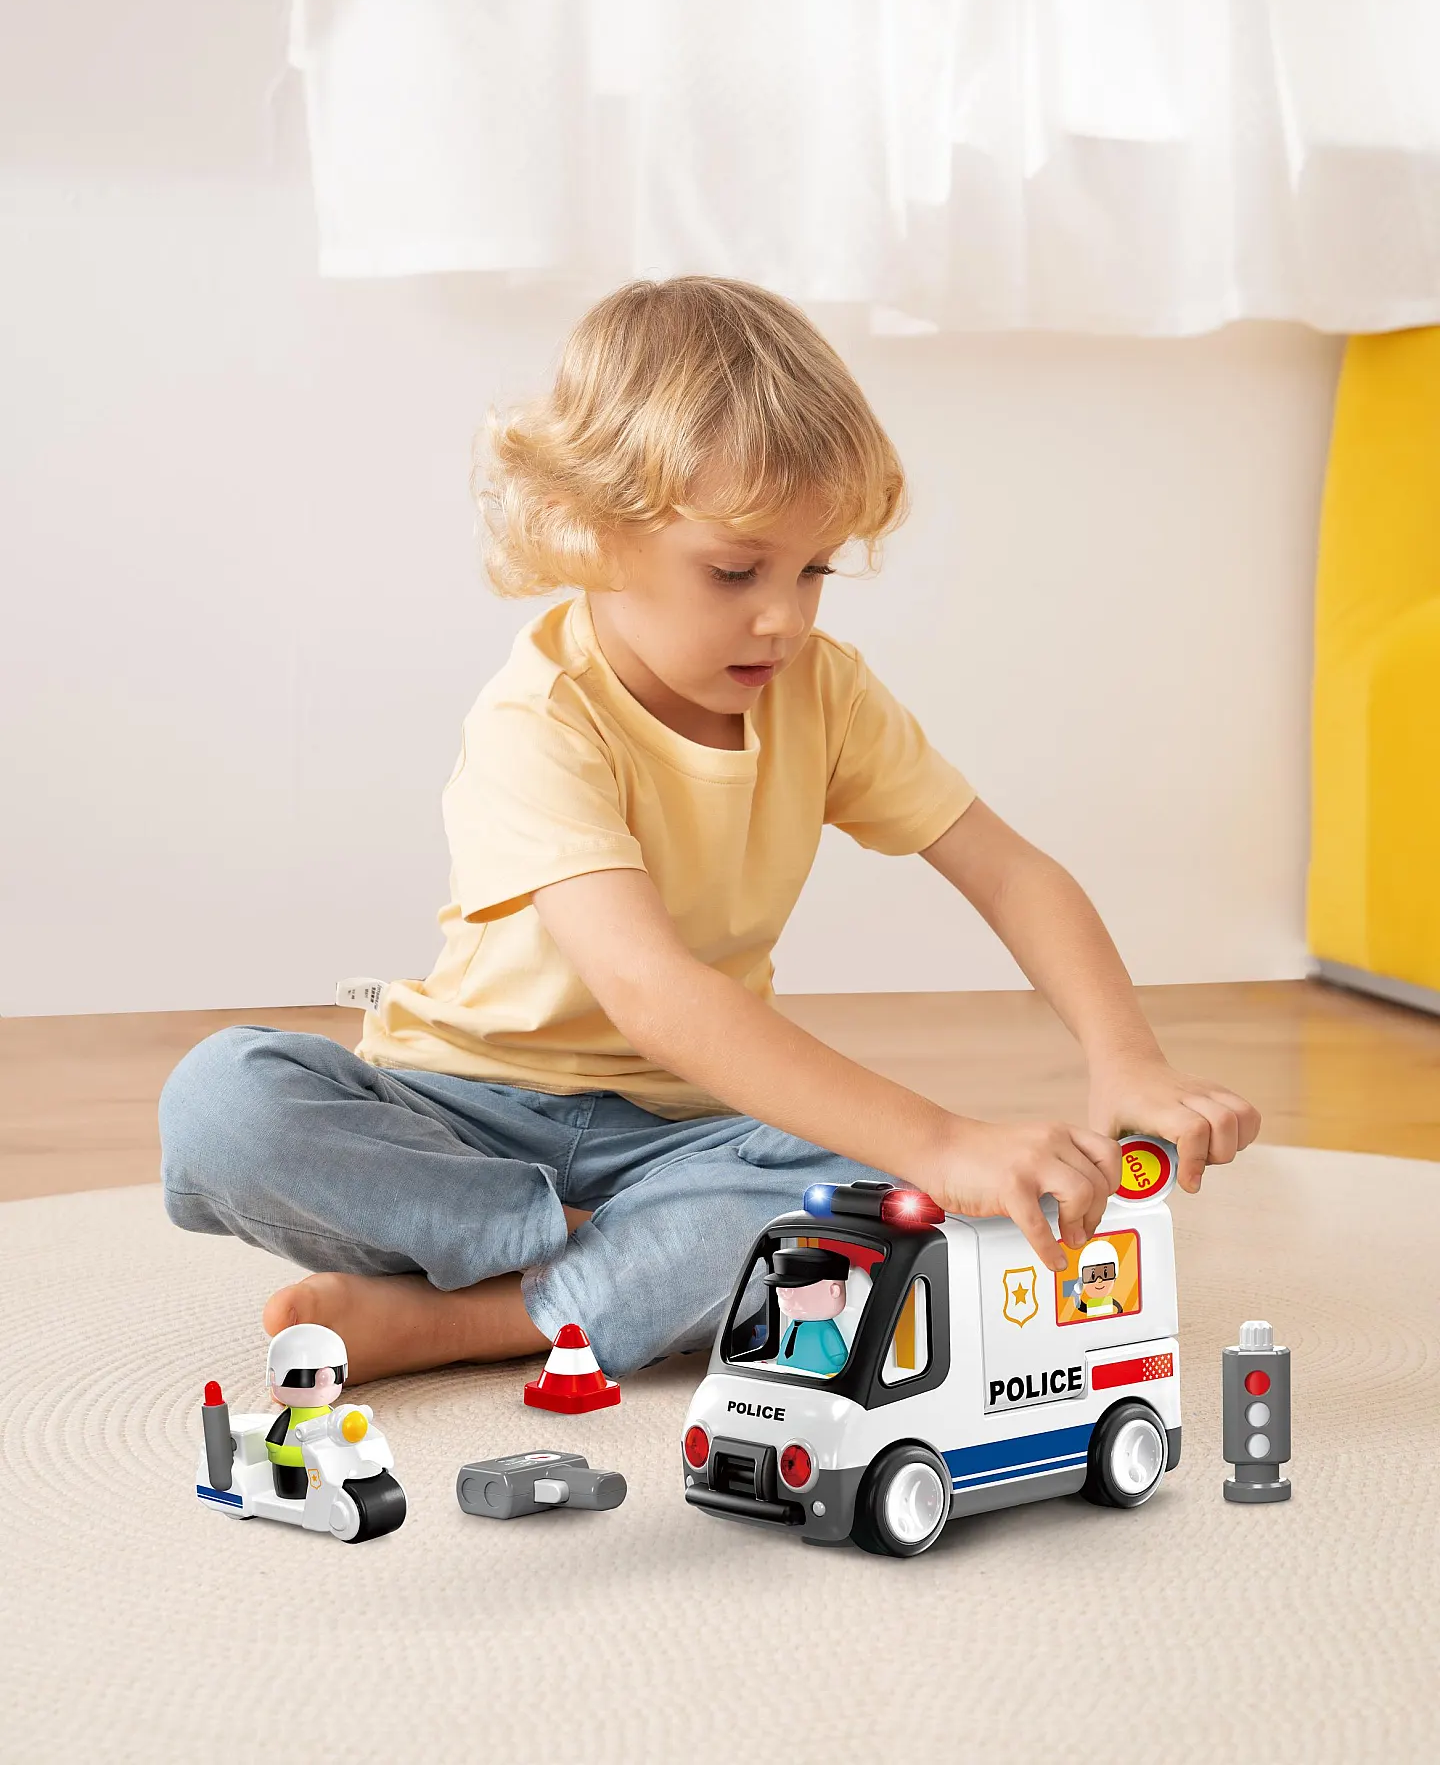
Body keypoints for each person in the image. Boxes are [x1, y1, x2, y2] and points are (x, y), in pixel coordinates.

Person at [158, 277, 1260, 1384]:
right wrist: (939, 1141)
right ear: (591, 531)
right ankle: (576, 1256)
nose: (784, 616)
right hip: (463, 1115)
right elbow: (654, 992)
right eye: (736, 571)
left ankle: (479, 1316)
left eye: (814, 569)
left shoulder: (825, 694)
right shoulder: (538, 719)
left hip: (694, 1133)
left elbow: (1010, 872)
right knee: (225, 1104)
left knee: (899, 1201)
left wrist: (1127, 1058)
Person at [264, 1322, 347, 1498]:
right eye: (305, 1378)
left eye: (336, 1375)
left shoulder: (329, 1412)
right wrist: (275, 1449)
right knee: (295, 1493)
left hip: (325, 1460)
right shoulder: (290, 1416)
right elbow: (274, 1439)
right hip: (291, 1463)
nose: (324, 1382)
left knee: (326, 1490)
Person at [765, 1247, 851, 1376]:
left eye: (796, 1288)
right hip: (786, 1375)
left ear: (834, 1291)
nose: (785, 1296)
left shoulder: (825, 1329)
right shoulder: (793, 1325)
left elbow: (839, 1356)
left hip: (819, 1376)